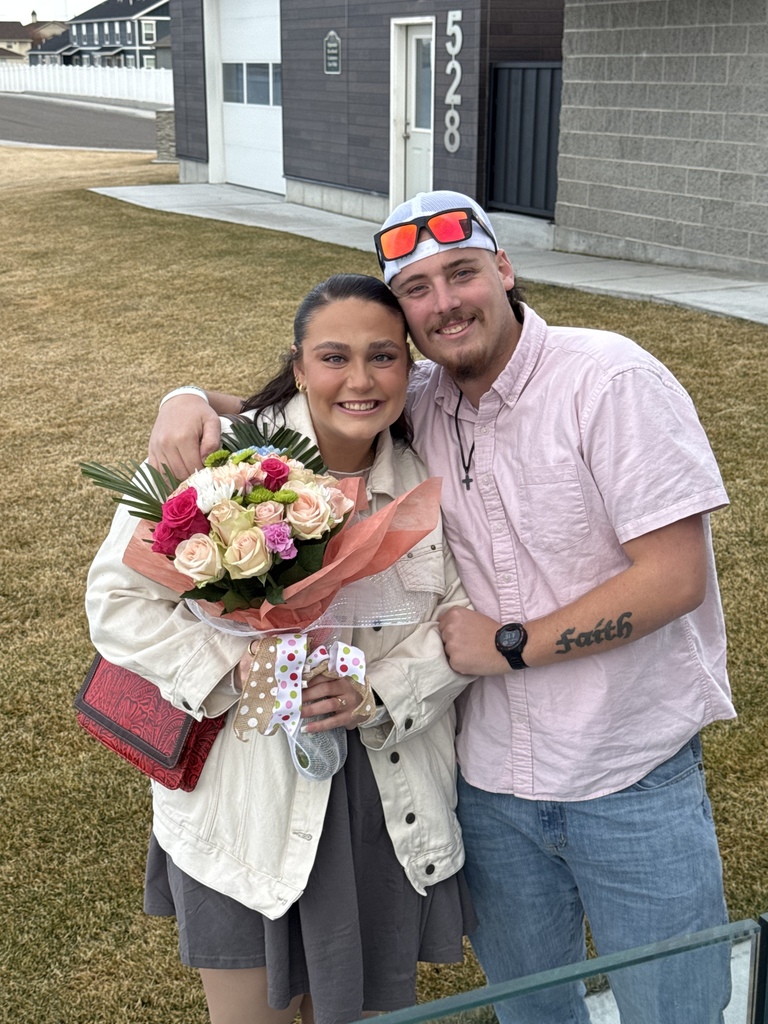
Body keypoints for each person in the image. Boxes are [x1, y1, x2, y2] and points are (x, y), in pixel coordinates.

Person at [147, 192, 736, 1024]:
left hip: (626, 774)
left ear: (504, 268)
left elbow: (676, 577)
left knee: (675, 1007)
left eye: (461, 273)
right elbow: (306, 389)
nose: (444, 302)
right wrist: (185, 396)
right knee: (533, 1009)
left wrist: (509, 644)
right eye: (417, 289)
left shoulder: (611, 380)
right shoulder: (416, 394)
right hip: (488, 784)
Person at [86, 273, 477, 1024]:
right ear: (298, 366)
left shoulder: (424, 477)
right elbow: (116, 603)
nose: (360, 380)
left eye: (384, 357)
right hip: (245, 797)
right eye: (334, 357)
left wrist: (379, 692)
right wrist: (235, 666)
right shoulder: (208, 464)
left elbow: (457, 617)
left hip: (380, 798)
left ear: (411, 368)